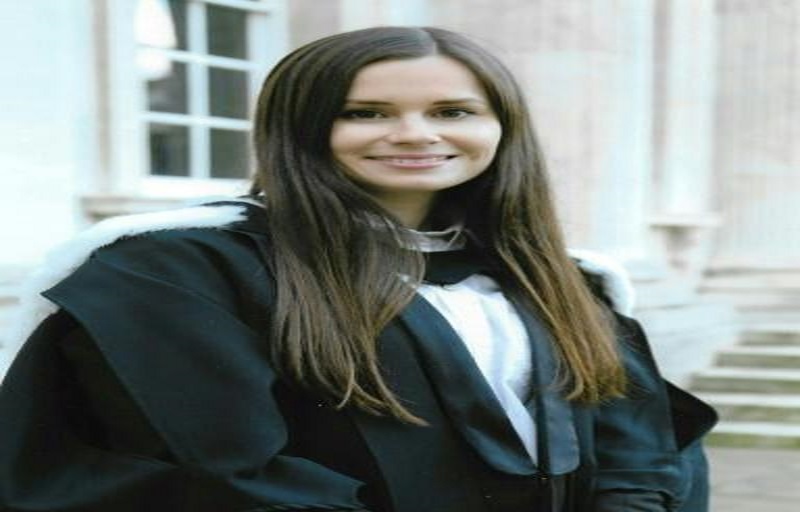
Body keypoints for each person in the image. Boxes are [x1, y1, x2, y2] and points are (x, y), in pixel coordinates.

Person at [0, 26, 716, 512]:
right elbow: (220, 473)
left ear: (501, 128)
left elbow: (636, 445)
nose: (414, 134)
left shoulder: (561, 280)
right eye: (366, 113)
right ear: (301, 128)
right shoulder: (181, 271)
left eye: (453, 111)